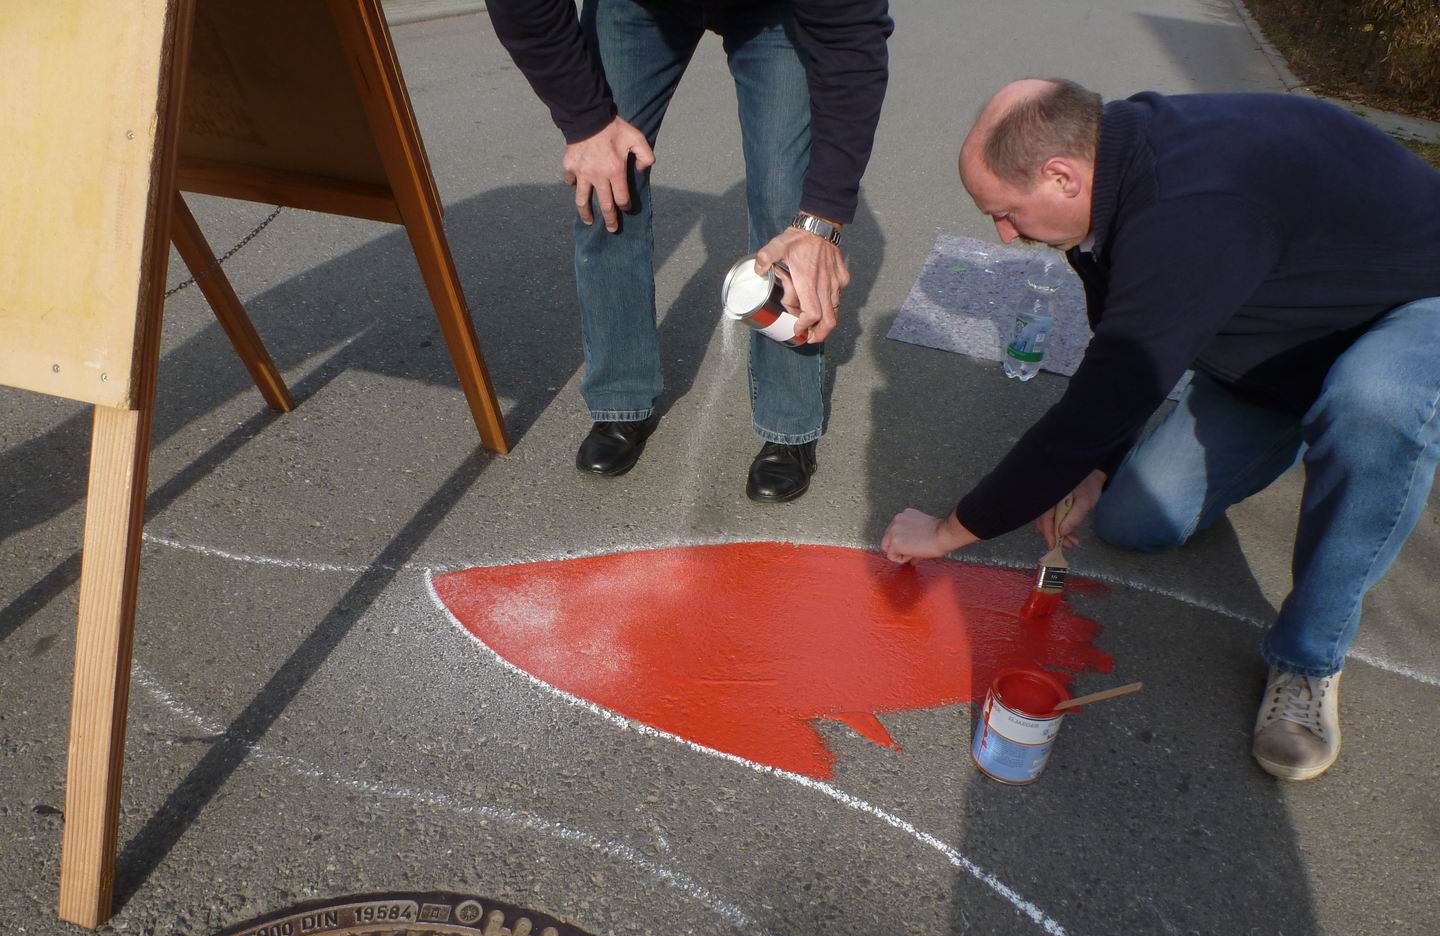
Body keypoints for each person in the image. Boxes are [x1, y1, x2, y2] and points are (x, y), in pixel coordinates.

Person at [882, 79, 1440, 780]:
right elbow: (1122, 349)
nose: (1006, 234)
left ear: (1060, 175)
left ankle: (1307, 660)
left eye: (1006, 212)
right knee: (1135, 521)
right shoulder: (1109, 178)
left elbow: (1100, 400)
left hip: (1412, 302)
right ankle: (1312, 414)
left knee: (1374, 402)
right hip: (1280, 340)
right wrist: (1097, 468)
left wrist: (948, 531)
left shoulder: (1190, 209)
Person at [485, 0, 891, 501]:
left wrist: (821, 219)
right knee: (608, 180)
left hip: (776, 10)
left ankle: (788, 425)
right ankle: (621, 401)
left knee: (787, 208)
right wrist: (586, 122)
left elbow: (852, 41)